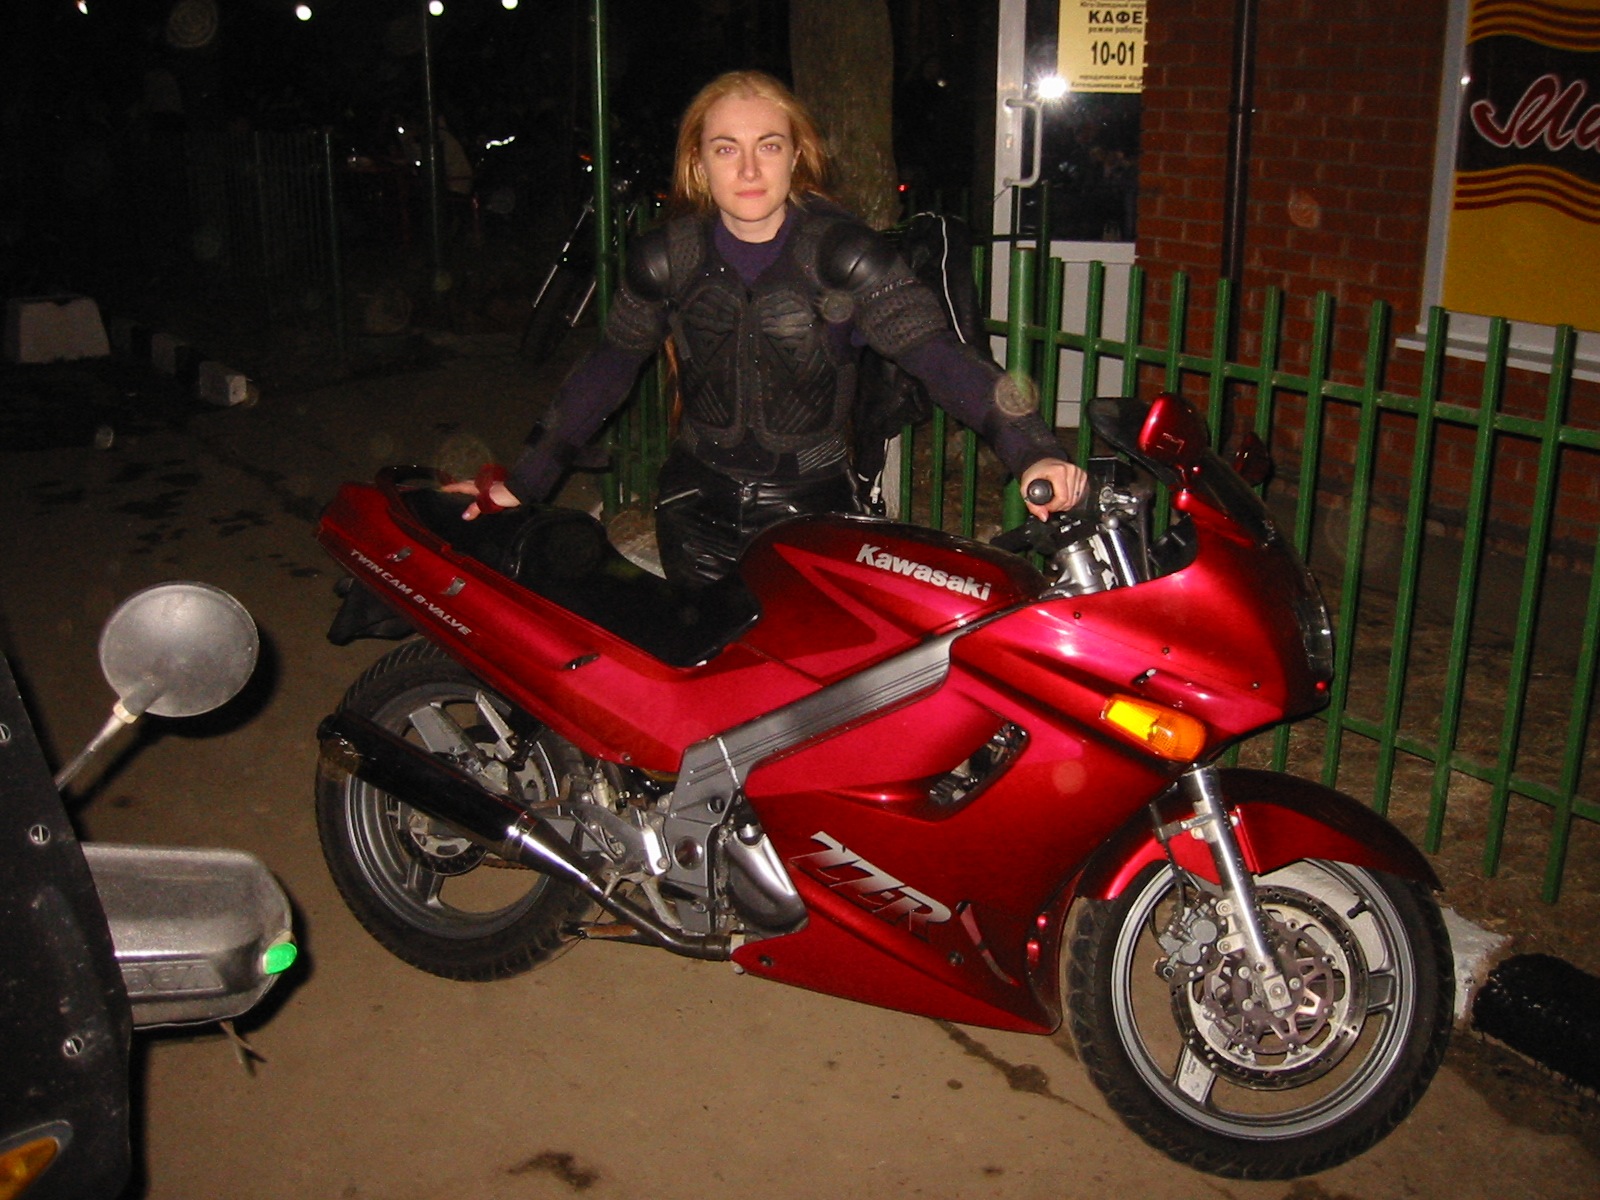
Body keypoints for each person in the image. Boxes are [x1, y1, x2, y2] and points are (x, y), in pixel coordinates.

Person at [454, 69, 1085, 585]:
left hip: (813, 512)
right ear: (699, 162)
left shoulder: (844, 256)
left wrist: (1034, 448)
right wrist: (523, 483)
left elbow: (940, 357)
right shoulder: (666, 259)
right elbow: (607, 369)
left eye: (770, 146)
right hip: (695, 510)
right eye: (726, 148)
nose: (750, 170)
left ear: (796, 156)